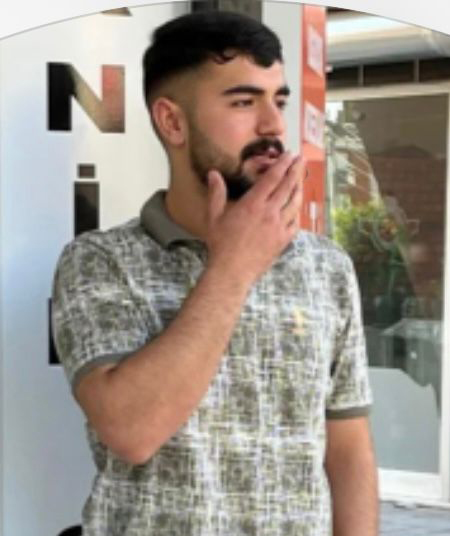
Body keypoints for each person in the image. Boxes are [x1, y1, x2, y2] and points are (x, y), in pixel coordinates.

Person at [52, 10, 378, 536]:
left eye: (278, 101)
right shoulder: (99, 261)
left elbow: (348, 450)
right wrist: (235, 265)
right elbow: (131, 431)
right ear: (172, 122)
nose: (273, 126)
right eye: (244, 102)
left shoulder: (326, 267)